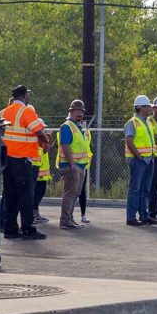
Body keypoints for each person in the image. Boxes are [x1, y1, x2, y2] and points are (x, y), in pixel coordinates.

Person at [0, 83, 48, 241]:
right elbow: (39, 131)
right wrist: (45, 142)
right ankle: (28, 228)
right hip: (22, 159)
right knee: (26, 195)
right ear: (25, 96)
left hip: (6, 159)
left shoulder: (3, 112)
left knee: (10, 193)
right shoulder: (26, 111)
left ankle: (10, 228)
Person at [56, 98, 94, 229]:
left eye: (81, 111)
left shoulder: (78, 127)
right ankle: (64, 221)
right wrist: (72, 164)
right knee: (70, 194)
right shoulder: (67, 126)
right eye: (77, 111)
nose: (80, 113)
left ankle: (69, 219)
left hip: (80, 166)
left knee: (75, 193)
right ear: (71, 111)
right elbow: (65, 145)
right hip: (71, 166)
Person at [125, 95, 157, 226]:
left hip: (148, 159)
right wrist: (138, 156)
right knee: (135, 189)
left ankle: (144, 216)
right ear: (139, 107)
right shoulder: (132, 122)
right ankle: (131, 217)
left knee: (145, 189)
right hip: (138, 160)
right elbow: (129, 141)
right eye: (147, 106)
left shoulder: (148, 122)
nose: (149, 109)